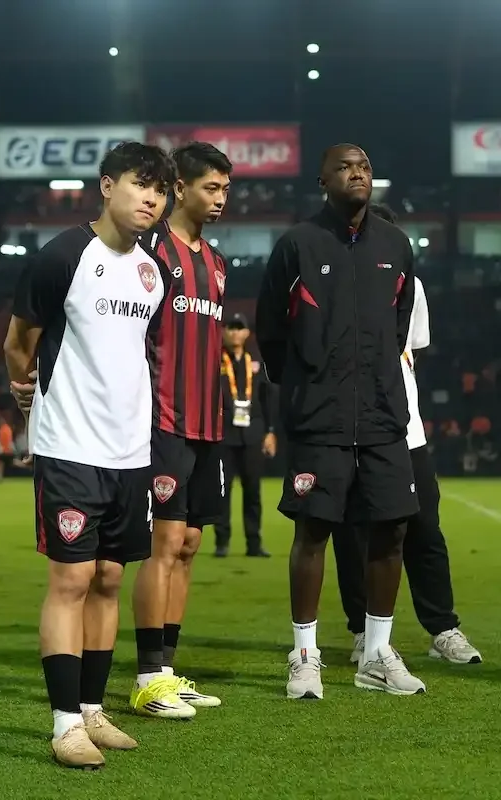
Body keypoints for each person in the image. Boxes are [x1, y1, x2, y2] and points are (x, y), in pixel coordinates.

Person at [3, 141, 175, 768]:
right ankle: (64, 723)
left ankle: (95, 711)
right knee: (72, 577)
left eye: (160, 191)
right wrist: (28, 396)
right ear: (107, 186)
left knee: (108, 578)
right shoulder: (64, 256)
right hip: (69, 444)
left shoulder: (153, 272)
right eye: (139, 184)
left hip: (130, 448)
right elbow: (19, 341)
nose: (151, 199)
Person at [255, 143, 426, 700]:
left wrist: (375, 374)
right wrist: (307, 382)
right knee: (313, 531)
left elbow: (399, 327)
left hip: (381, 413)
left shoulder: (397, 245)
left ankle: (376, 653)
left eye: (366, 167)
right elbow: (270, 330)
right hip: (320, 415)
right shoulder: (298, 244)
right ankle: (304, 655)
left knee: (393, 527)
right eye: (346, 167)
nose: (359, 174)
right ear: (323, 180)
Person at [331, 203, 482, 666]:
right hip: (350, 426)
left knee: (424, 531)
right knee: (353, 533)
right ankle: (363, 631)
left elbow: (410, 351)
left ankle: (443, 629)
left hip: (405, 429)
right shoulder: (336, 280)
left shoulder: (410, 286)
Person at [129, 142, 232, 719]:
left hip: (207, 423)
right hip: (162, 420)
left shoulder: (215, 262)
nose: (220, 200)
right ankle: (147, 677)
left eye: (225, 189)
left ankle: (167, 669)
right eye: (210, 188)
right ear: (179, 189)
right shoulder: (151, 252)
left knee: (190, 545)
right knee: (164, 546)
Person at [214, 312, 278, 558]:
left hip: (253, 434)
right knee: (224, 491)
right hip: (225, 435)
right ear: (223, 332)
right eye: (230, 327)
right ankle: (222, 542)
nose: (234, 332)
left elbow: (267, 400)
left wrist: (270, 432)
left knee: (253, 492)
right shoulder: (214, 362)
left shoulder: (256, 363)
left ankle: (254, 543)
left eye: (239, 328)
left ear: (247, 333)